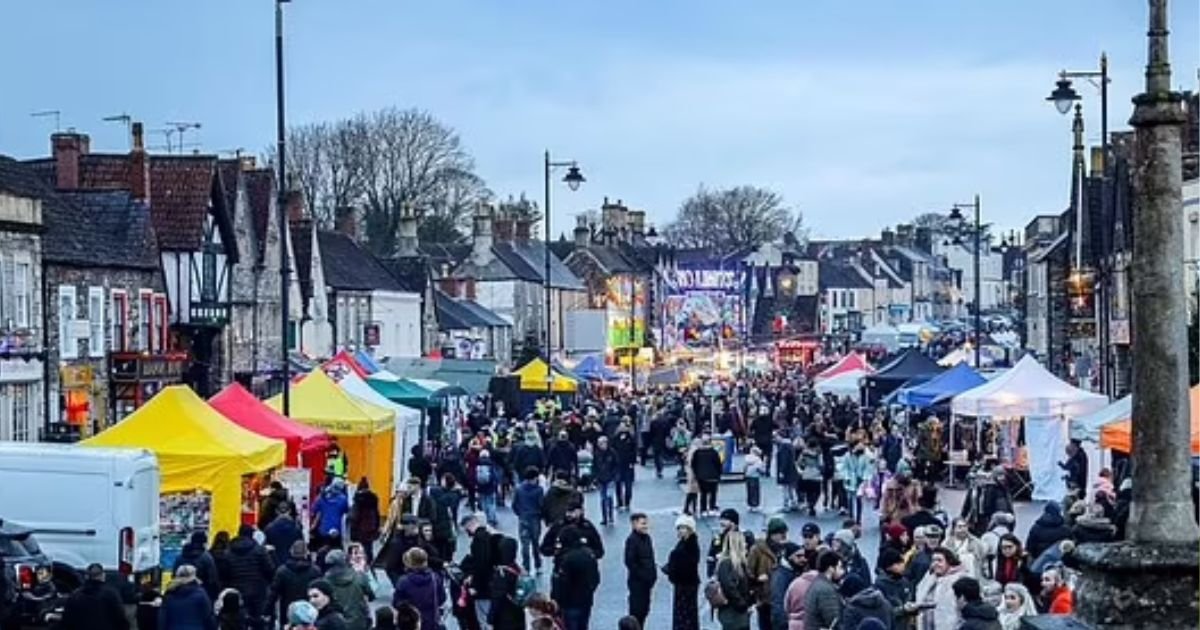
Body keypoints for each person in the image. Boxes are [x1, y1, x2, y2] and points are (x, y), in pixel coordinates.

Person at [225, 524, 275, 630]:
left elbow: (225, 572)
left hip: (236, 589)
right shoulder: (259, 550)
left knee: (239, 620)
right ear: (252, 535)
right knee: (257, 620)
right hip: (257, 590)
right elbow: (269, 569)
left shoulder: (229, 551)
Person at [553, 526, 601, 630]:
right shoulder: (589, 554)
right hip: (586, 600)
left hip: (570, 603)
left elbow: (563, 584)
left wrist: (558, 600)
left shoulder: (567, 559)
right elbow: (596, 578)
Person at [60, 563, 130, 630]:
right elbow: (121, 619)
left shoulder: (75, 596)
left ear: (86, 576)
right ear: (103, 576)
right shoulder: (111, 594)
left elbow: (66, 621)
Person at [268, 540, 322, 627]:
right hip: (309, 612)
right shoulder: (315, 571)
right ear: (306, 553)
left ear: (291, 552)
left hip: (287, 612)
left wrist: (267, 611)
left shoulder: (282, 571)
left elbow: (274, 593)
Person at [747, 517, 786, 630]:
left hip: (780, 598)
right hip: (764, 598)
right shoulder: (757, 549)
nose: (783, 537)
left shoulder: (784, 548)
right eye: (781, 533)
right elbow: (749, 572)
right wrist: (757, 582)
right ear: (772, 534)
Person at [664, 514, 701, 630]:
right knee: (682, 615)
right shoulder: (683, 543)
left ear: (690, 529)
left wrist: (672, 565)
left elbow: (686, 564)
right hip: (682, 585)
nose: (680, 531)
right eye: (679, 528)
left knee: (686, 615)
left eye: (683, 528)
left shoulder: (691, 545)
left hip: (687, 585)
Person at [914, 547, 967, 630]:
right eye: (933, 560)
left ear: (949, 561)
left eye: (939, 560)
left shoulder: (959, 580)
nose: (936, 563)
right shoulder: (928, 578)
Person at [392, 547, 443, 630]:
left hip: (412, 622)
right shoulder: (435, 578)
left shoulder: (403, 582)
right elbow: (442, 598)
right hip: (432, 621)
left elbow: (397, 603)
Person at [323, 550, 373, 630]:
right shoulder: (359, 577)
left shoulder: (324, 583)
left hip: (336, 624)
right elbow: (372, 595)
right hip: (358, 622)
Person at [461, 513, 496, 627]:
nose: (467, 533)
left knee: (484, 619)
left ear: (470, 524)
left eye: (467, 529)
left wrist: (475, 586)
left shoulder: (478, 540)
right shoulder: (488, 536)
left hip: (483, 588)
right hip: (492, 584)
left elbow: (481, 565)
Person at [713, 531, 754, 630]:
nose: (745, 545)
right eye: (743, 542)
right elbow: (729, 587)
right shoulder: (727, 564)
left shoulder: (738, 564)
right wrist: (742, 604)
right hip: (733, 612)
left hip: (737, 613)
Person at [486, 536, 526, 630]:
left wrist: (490, 618)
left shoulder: (501, 573)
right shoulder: (517, 568)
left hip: (504, 618)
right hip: (518, 614)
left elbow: (497, 598)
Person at [624, 513, 657, 627]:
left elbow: (650, 558)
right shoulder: (632, 540)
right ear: (634, 524)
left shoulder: (647, 538)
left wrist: (652, 576)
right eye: (642, 523)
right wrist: (643, 576)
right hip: (638, 583)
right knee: (637, 612)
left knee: (644, 611)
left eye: (646, 523)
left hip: (647, 583)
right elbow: (630, 562)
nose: (645, 526)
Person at [512, 466, 546, 573]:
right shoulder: (539, 490)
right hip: (535, 518)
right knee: (536, 543)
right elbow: (541, 505)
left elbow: (514, 505)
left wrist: (520, 513)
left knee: (524, 545)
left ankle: (526, 566)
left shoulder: (519, 489)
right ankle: (538, 564)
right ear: (535, 478)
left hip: (523, 518)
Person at [875, 548, 919, 628]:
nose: (902, 566)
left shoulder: (905, 582)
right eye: (898, 563)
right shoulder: (880, 585)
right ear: (888, 567)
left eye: (902, 562)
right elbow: (883, 611)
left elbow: (910, 598)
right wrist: (902, 609)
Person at [173, 531, 222, 602]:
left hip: (181, 595)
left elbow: (174, 577)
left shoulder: (180, 557)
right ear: (203, 543)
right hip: (201, 596)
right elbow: (213, 579)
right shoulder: (206, 557)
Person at [962, 469, 1014, 536]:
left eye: (983, 478)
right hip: (975, 521)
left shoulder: (995, 489)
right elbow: (966, 506)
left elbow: (1002, 507)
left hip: (990, 520)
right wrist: (962, 519)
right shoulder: (973, 490)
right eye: (977, 478)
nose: (980, 481)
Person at [803, 551, 844, 630]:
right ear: (831, 569)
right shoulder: (826, 590)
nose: (842, 572)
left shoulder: (817, 583)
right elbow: (834, 621)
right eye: (840, 567)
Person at [768, 543, 805, 630]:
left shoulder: (795, 571)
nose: (803, 559)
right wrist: (784, 625)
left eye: (804, 556)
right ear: (789, 557)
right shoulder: (780, 576)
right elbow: (778, 602)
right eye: (798, 556)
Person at [348, 477, 381, 564]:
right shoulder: (373, 499)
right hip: (371, 525)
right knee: (368, 545)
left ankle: (360, 562)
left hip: (360, 526)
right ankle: (369, 561)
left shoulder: (358, 499)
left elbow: (355, 515)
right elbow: (377, 513)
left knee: (359, 545)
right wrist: (377, 526)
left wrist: (352, 526)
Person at [312, 478, 351, 551]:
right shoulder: (343, 499)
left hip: (323, 530)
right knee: (336, 552)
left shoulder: (322, 498)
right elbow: (346, 511)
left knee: (323, 551)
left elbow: (313, 509)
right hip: (336, 531)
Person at [692, 436, 724, 516]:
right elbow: (718, 464)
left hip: (701, 477)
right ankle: (712, 507)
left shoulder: (697, 452)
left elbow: (693, 464)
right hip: (713, 476)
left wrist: (696, 474)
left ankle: (703, 509)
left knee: (703, 493)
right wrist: (719, 474)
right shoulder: (714, 452)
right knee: (713, 493)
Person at [594, 436, 619, 525]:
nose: (601, 445)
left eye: (603, 443)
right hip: (601, 479)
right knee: (602, 499)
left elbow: (616, 465)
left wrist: (615, 476)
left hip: (610, 479)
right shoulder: (596, 453)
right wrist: (595, 477)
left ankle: (611, 516)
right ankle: (604, 518)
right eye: (600, 444)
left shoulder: (612, 453)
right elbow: (595, 466)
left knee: (609, 497)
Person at [796, 438, 824, 516]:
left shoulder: (804, 453)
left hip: (807, 474)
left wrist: (802, 470)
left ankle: (809, 504)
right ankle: (812, 504)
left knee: (809, 492)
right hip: (816, 475)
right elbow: (821, 464)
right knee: (817, 492)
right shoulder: (818, 453)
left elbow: (799, 462)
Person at [614, 423, 638, 510]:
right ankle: (619, 502)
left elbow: (634, 451)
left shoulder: (631, 439)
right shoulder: (615, 438)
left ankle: (627, 502)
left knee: (628, 485)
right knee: (618, 484)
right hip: (618, 465)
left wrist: (632, 462)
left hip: (627, 465)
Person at [476, 450, 501, 527]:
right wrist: (497, 484)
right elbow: (495, 476)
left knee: (483, 502)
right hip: (490, 487)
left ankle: (485, 518)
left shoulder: (478, 464)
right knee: (491, 503)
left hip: (481, 487)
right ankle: (491, 519)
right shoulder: (491, 464)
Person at [744, 447, 767, 512]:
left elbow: (744, 467)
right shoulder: (758, 460)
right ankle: (755, 505)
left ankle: (749, 505)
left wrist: (745, 473)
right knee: (755, 492)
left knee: (749, 491)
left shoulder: (747, 458)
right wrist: (764, 465)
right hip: (755, 477)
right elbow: (761, 469)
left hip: (748, 476)